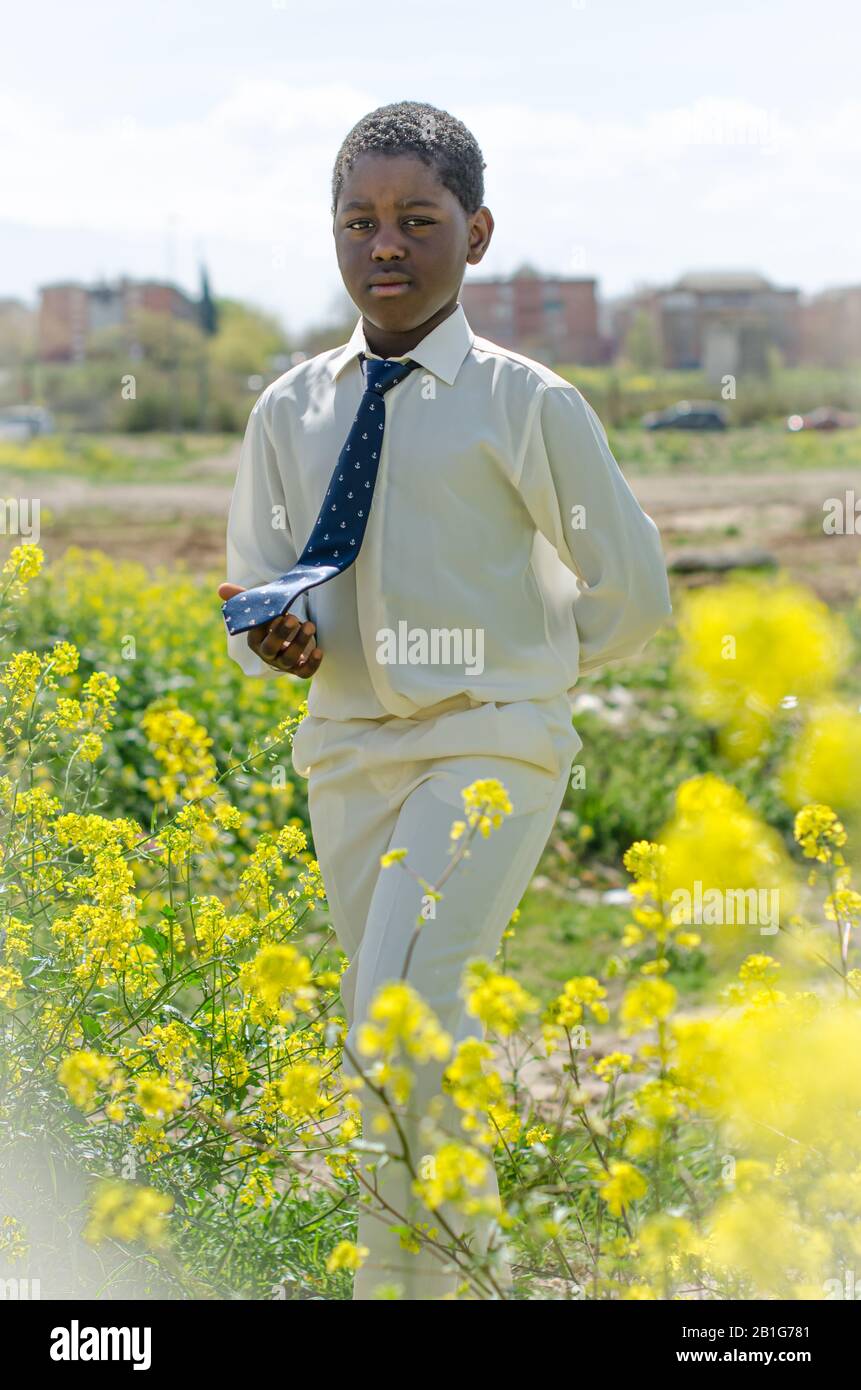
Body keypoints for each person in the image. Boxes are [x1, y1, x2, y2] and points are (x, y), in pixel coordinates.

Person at [219, 100, 672, 1300]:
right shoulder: (288, 410)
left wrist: (523, 673)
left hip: (491, 745)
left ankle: (395, 1292)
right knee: (421, 1040)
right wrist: (273, 642)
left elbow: (631, 593)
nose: (385, 245)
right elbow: (260, 596)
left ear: (475, 235)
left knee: (394, 1028)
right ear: (332, 233)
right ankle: (482, 1273)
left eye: (418, 220)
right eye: (359, 221)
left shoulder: (529, 402)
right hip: (347, 761)